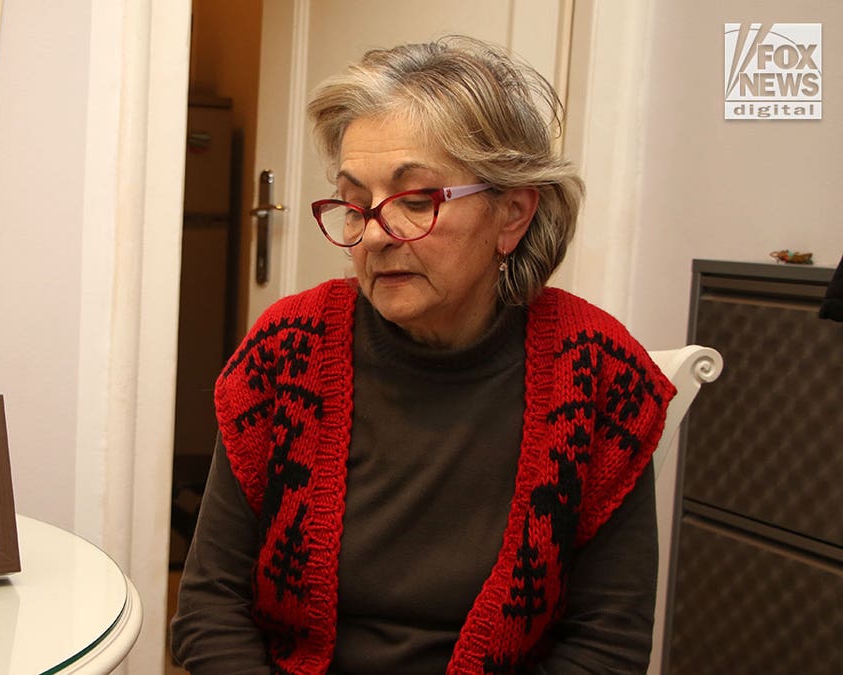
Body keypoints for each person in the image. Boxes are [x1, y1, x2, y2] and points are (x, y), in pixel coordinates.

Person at [171, 36, 676, 674]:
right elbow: (210, 607)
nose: (375, 235)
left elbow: (607, 644)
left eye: (415, 202)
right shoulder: (287, 351)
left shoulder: (601, 375)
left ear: (513, 214)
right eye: (355, 205)